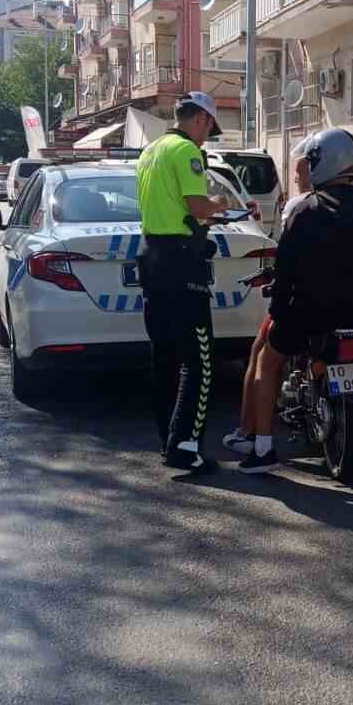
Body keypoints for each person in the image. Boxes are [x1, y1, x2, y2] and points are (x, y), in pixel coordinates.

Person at [239, 127, 353, 475]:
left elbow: (285, 274)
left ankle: (263, 449)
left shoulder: (306, 212)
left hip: (311, 316)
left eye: (312, 162)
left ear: (323, 164)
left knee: (268, 361)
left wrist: (278, 311)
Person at [134, 92, 232, 475]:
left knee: (164, 358)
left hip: (152, 256)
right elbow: (197, 207)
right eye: (209, 129)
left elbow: (169, 206)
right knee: (200, 360)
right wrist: (221, 203)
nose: (207, 138)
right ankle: (186, 446)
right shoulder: (188, 152)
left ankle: (168, 441)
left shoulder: (151, 151)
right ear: (202, 120)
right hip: (180, 263)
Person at [222, 138, 316, 456]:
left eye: (299, 171)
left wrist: (278, 303)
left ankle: (256, 440)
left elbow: (287, 263)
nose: (294, 178)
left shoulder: (299, 208)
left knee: (262, 355)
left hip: (306, 307)